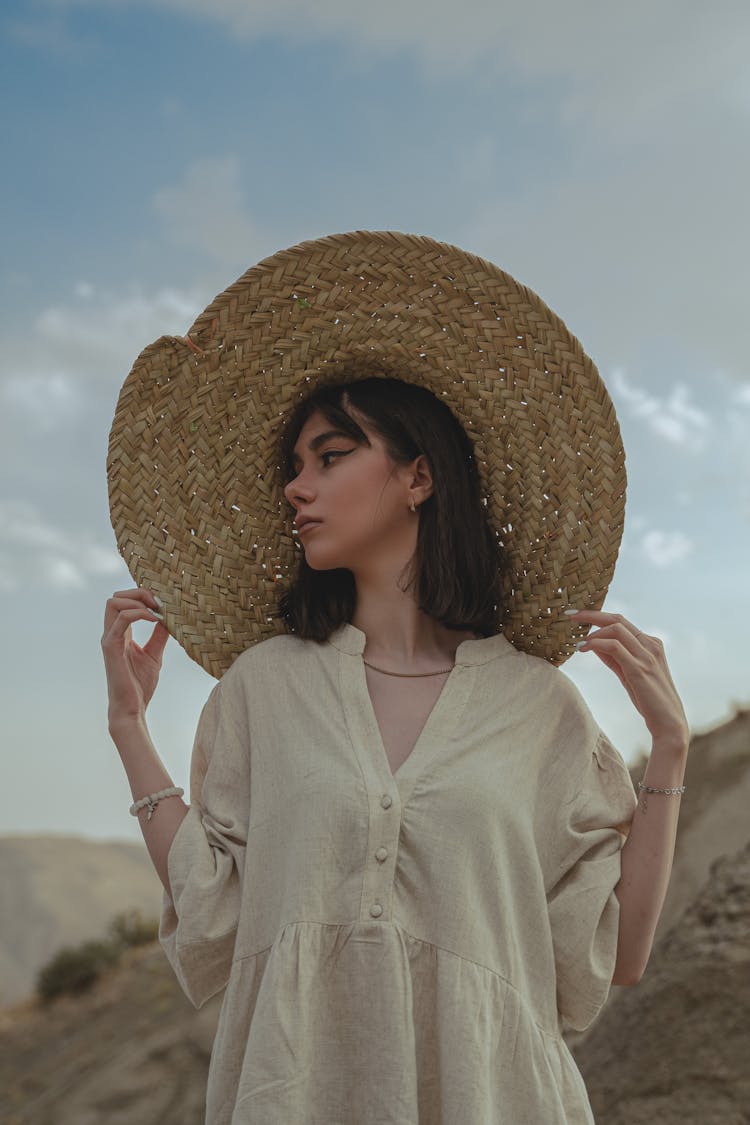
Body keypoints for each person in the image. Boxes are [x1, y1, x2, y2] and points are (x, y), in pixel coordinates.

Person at [102, 231, 690, 1124]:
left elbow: (615, 954)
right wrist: (128, 731)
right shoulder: (264, 689)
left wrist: (672, 753)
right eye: (293, 468)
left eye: (330, 456)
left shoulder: (536, 707)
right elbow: (212, 909)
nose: (299, 487)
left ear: (418, 475)